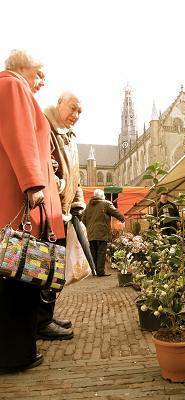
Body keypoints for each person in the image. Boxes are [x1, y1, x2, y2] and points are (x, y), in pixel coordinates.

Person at [0, 49, 65, 372]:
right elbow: (19, 136)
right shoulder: (12, 85)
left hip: (19, 198)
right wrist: (33, 182)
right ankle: (15, 354)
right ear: (22, 66)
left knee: (18, 275)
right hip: (19, 201)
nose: (43, 81)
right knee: (18, 275)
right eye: (40, 74)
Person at [36, 92, 87, 340]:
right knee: (44, 268)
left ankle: (46, 316)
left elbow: (75, 175)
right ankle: (41, 322)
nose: (76, 116)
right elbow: (41, 163)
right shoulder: (44, 125)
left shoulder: (69, 136)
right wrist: (54, 182)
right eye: (73, 109)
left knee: (55, 270)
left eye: (80, 112)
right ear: (59, 103)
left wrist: (77, 204)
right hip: (48, 211)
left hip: (63, 212)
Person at [82, 189, 125, 276]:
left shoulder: (88, 206)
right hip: (102, 231)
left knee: (93, 252)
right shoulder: (106, 204)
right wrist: (122, 218)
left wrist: (89, 228)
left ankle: (94, 271)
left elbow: (83, 220)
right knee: (101, 251)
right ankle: (100, 271)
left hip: (91, 233)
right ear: (102, 196)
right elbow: (115, 212)